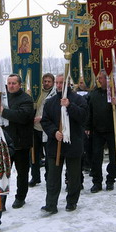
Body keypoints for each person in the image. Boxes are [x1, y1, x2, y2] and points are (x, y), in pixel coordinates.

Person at [40, 74, 88, 214]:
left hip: (74, 143)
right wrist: (54, 132)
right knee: (53, 177)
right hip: (56, 144)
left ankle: (72, 202)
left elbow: (83, 117)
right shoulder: (50, 102)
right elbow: (45, 121)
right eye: (58, 83)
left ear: (69, 84)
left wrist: (69, 106)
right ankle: (51, 205)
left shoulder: (79, 99)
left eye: (63, 83)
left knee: (73, 177)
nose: (60, 86)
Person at [85, 70, 116, 192]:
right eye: (98, 78)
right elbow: (90, 111)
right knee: (96, 156)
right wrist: (88, 126)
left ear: (107, 80)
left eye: (101, 78)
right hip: (97, 130)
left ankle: (111, 179)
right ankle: (97, 181)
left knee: (114, 157)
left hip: (112, 130)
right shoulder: (94, 93)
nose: (98, 80)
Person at [0, 74, 34, 208]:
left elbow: (23, 116)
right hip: (5, 143)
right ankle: (1, 201)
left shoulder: (26, 99)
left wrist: (4, 112)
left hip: (21, 144)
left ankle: (20, 197)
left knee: (22, 173)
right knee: (3, 174)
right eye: (9, 83)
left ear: (20, 85)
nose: (11, 86)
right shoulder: (3, 97)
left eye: (14, 83)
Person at [29, 73, 55, 187]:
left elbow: (55, 112)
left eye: (49, 81)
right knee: (34, 154)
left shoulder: (54, 94)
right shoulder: (37, 92)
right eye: (45, 81)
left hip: (47, 128)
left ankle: (49, 177)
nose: (46, 83)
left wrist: (42, 118)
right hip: (35, 128)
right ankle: (35, 177)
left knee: (48, 154)